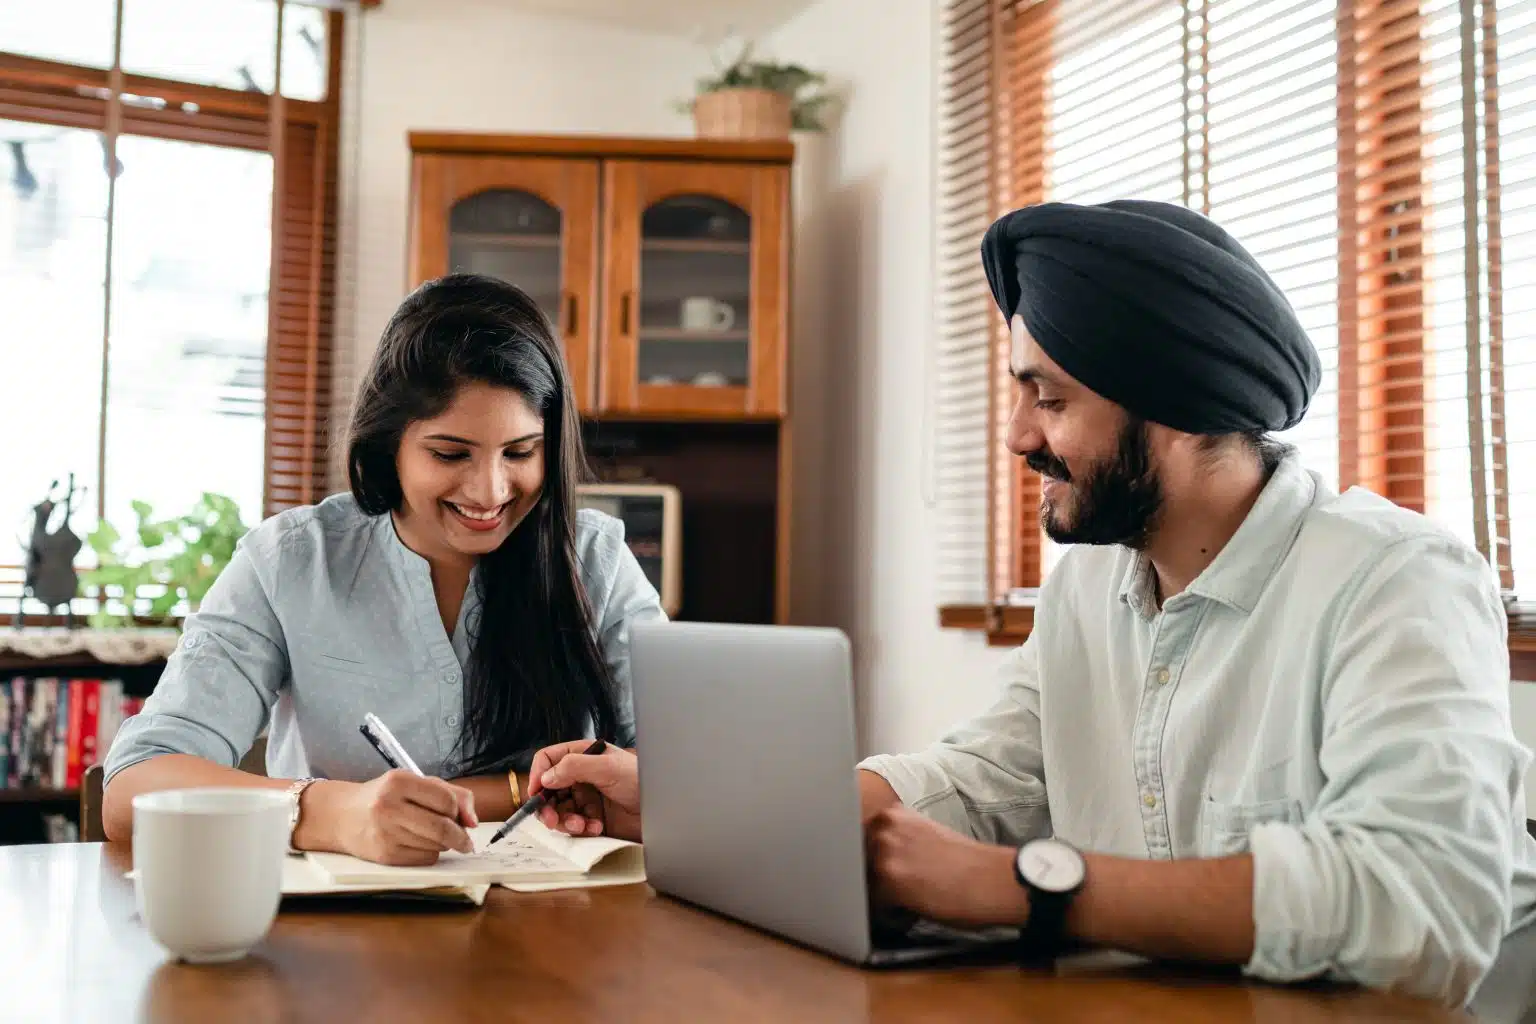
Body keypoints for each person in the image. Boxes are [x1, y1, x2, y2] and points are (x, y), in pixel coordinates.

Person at [527, 200, 1536, 1004]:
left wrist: (1021, 886)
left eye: (1049, 399)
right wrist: (704, 807)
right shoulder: (1091, 584)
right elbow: (981, 780)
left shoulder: (1397, 581)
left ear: (1176, 409)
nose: (1016, 436)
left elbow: (1425, 904)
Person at [102, 273, 664, 865]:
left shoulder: (596, 560)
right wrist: (331, 813)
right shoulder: (292, 560)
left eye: (520, 452)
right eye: (450, 454)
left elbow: (687, 774)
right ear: (388, 443)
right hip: (338, 939)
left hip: (562, 931)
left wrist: (643, 798)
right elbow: (132, 789)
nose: (491, 490)